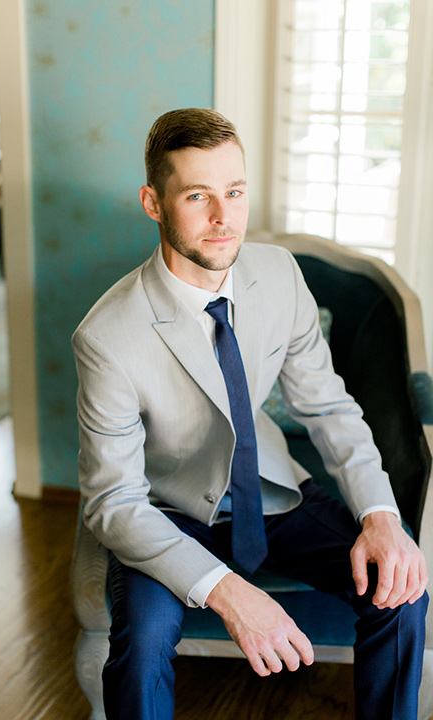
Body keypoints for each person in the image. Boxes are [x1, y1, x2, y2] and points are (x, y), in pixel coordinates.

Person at [72, 108, 429, 720]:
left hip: (272, 491)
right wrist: (230, 593)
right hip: (167, 512)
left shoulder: (279, 274)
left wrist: (380, 514)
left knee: (399, 592)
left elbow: (327, 405)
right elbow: (115, 504)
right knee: (141, 646)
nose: (223, 218)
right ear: (153, 203)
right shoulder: (106, 336)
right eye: (197, 195)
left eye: (234, 192)